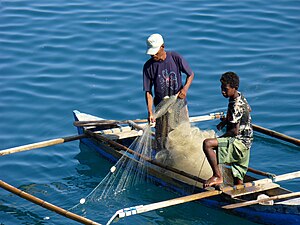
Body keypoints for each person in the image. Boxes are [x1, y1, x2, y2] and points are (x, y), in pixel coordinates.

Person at [143, 33, 194, 151]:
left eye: (155, 52)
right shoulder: (148, 67)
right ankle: (162, 158)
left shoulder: (175, 58)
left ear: (163, 47)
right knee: (161, 136)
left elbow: (190, 74)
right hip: (161, 107)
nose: (153, 55)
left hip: (179, 104)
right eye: (151, 53)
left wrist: (184, 89)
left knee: (181, 132)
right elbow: (148, 91)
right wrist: (150, 112)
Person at [203, 71, 253, 187]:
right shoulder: (239, 96)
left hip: (239, 143)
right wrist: (226, 120)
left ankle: (217, 176)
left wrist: (220, 138)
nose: (222, 92)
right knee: (237, 179)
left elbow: (234, 131)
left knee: (208, 144)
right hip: (248, 141)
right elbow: (248, 109)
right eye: (222, 88)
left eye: (225, 89)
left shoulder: (236, 105)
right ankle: (240, 194)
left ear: (234, 88)